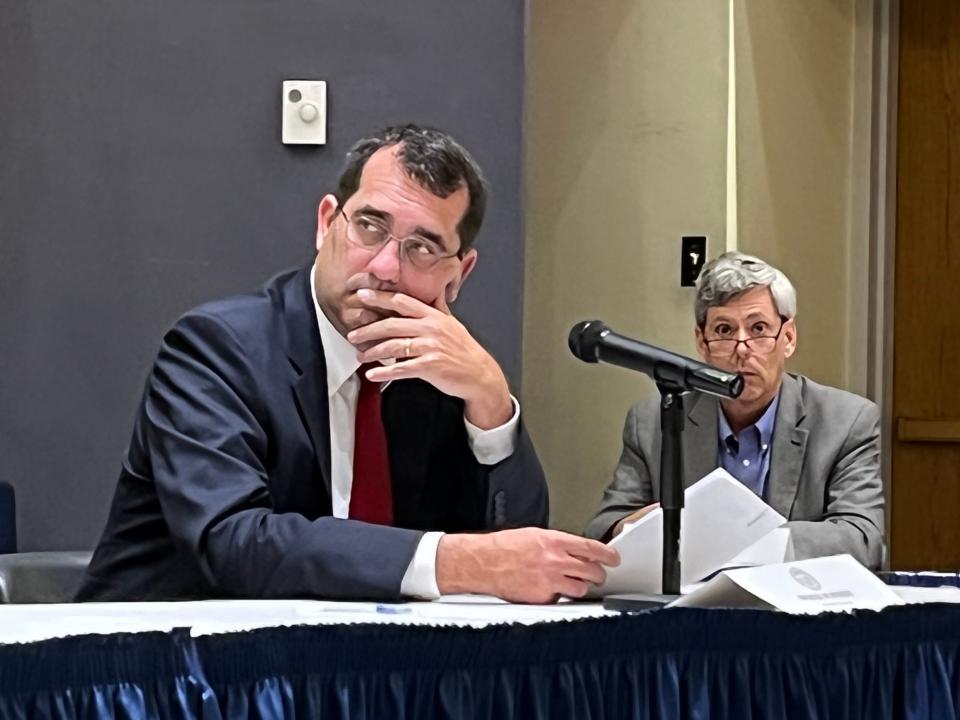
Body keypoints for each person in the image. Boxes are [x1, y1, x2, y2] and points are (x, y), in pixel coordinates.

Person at [78, 124, 618, 603]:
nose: (385, 267)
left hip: (346, 671)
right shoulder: (216, 348)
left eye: (422, 248)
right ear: (326, 223)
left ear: (459, 273)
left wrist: (493, 407)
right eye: (370, 226)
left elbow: (513, 552)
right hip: (154, 675)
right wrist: (460, 564)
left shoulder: (437, 366)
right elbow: (233, 542)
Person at [585, 251, 884, 569]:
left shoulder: (847, 421)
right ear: (702, 342)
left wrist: (741, 542)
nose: (742, 350)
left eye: (758, 329)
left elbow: (863, 541)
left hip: (793, 608)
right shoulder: (652, 422)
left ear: (789, 338)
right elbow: (603, 531)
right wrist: (639, 526)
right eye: (725, 331)